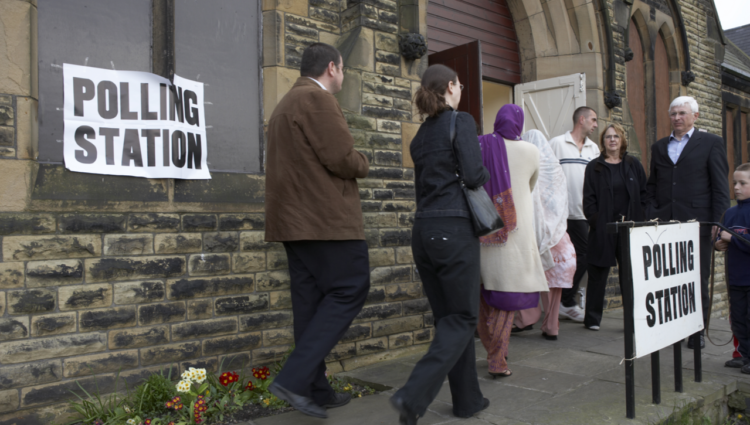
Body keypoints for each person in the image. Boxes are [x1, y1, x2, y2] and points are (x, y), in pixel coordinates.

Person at [264, 43, 370, 419]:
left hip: (294, 222)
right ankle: (294, 379)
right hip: (325, 220)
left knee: (309, 306)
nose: (342, 76)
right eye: (342, 69)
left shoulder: (283, 105)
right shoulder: (317, 99)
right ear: (331, 67)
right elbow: (341, 158)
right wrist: (363, 160)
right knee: (351, 286)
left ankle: (316, 388)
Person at [389, 64, 490, 425]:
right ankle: (412, 395)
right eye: (460, 84)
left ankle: (467, 400)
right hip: (454, 230)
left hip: (424, 232)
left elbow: (421, 191)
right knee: (462, 318)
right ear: (450, 86)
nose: (461, 90)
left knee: (449, 319)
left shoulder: (419, 136)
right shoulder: (460, 122)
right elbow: (476, 175)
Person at [645, 96, 730, 349]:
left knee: (697, 278)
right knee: (667, 279)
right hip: (665, 224)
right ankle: (672, 329)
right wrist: (652, 211)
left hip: (699, 224)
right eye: (673, 113)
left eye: (682, 113)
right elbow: (652, 185)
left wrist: (719, 222)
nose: (677, 118)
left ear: (695, 116)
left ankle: (697, 331)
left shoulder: (712, 143)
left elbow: (720, 188)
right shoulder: (659, 147)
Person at [476, 105, 547, 376]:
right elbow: (530, 185)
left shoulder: (481, 144)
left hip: (485, 231)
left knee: (486, 294)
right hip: (515, 233)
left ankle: (494, 353)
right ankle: (498, 358)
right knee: (507, 295)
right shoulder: (531, 151)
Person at [582, 123, 647, 330]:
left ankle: (633, 320)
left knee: (630, 275)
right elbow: (588, 198)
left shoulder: (632, 164)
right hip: (604, 227)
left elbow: (644, 194)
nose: (612, 140)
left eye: (616, 136)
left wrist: (641, 219)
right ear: (603, 141)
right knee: (597, 273)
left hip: (629, 228)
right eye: (608, 137)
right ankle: (592, 319)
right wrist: (595, 219)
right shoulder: (594, 167)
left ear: (622, 140)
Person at [512, 130, 576, 340]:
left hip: (534, 233)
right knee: (553, 287)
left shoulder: (526, 165)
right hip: (557, 235)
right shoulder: (556, 169)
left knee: (526, 278)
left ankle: (524, 319)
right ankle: (551, 326)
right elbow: (560, 200)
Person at [549, 107, 600, 322]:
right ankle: (559, 304)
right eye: (593, 120)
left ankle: (566, 300)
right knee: (556, 259)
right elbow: (546, 173)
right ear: (582, 119)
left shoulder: (594, 149)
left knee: (585, 256)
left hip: (582, 214)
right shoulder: (557, 143)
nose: (596, 124)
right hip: (559, 214)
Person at [716, 163, 750, 371]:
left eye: (742, 183)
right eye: (734, 183)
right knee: (738, 319)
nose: (736, 187)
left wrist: (733, 238)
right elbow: (722, 237)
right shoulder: (729, 213)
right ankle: (744, 355)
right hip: (735, 277)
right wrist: (718, 244)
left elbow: (734, 237)